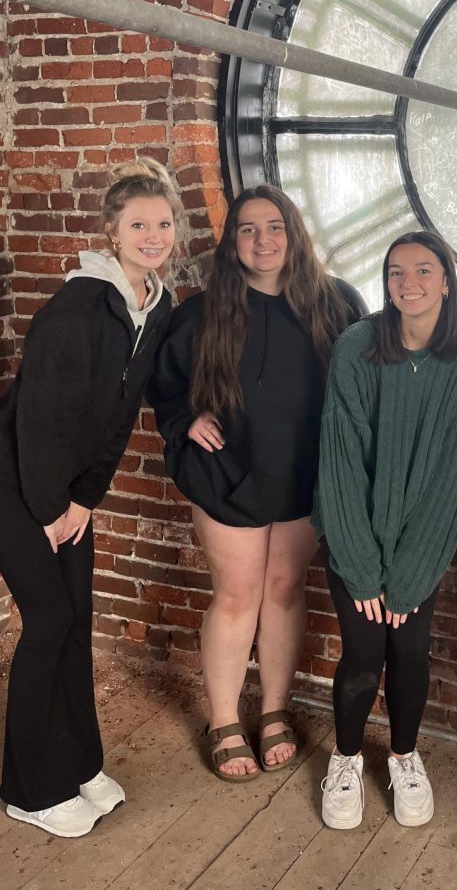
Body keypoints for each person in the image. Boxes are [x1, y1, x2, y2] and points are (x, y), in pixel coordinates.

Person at [150, 185, 365, 782]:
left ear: (294, 234)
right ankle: (223, 720)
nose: (263, 239)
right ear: (233, 241)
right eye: (248, 229)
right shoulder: (205, 309)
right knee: (238, 594)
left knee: (285, 589)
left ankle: (273, 710)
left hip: (305, 471)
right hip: (230, 470)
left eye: (275, 227)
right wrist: (185, 419)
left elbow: (372, 383)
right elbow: (164, 384)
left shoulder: (335, 304)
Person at [0, 158, 181, 837]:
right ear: (111, 231)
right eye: (139, 224)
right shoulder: (76, 309)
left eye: (163, 223)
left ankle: (77, 766)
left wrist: (86, 499)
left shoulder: (154, 306)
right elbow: (39, 422)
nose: (153, 235)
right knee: (47, 621)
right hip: (14, 479)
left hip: (64, 492)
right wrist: (50, 508)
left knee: (77, 621)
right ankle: (29, 788)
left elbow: (121, 413)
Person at [314, 230, 457, 830]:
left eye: (422, 270)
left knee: (411, 650)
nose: (407, 283)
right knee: (363, 653)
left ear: (447, 279)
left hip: (422, 543)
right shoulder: (357, 348)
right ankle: (343, 760)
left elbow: (452, 476)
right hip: (352, 535)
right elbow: (339, 461)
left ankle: (403, 756)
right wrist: (362, 566)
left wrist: (411, 574)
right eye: (395, 272)